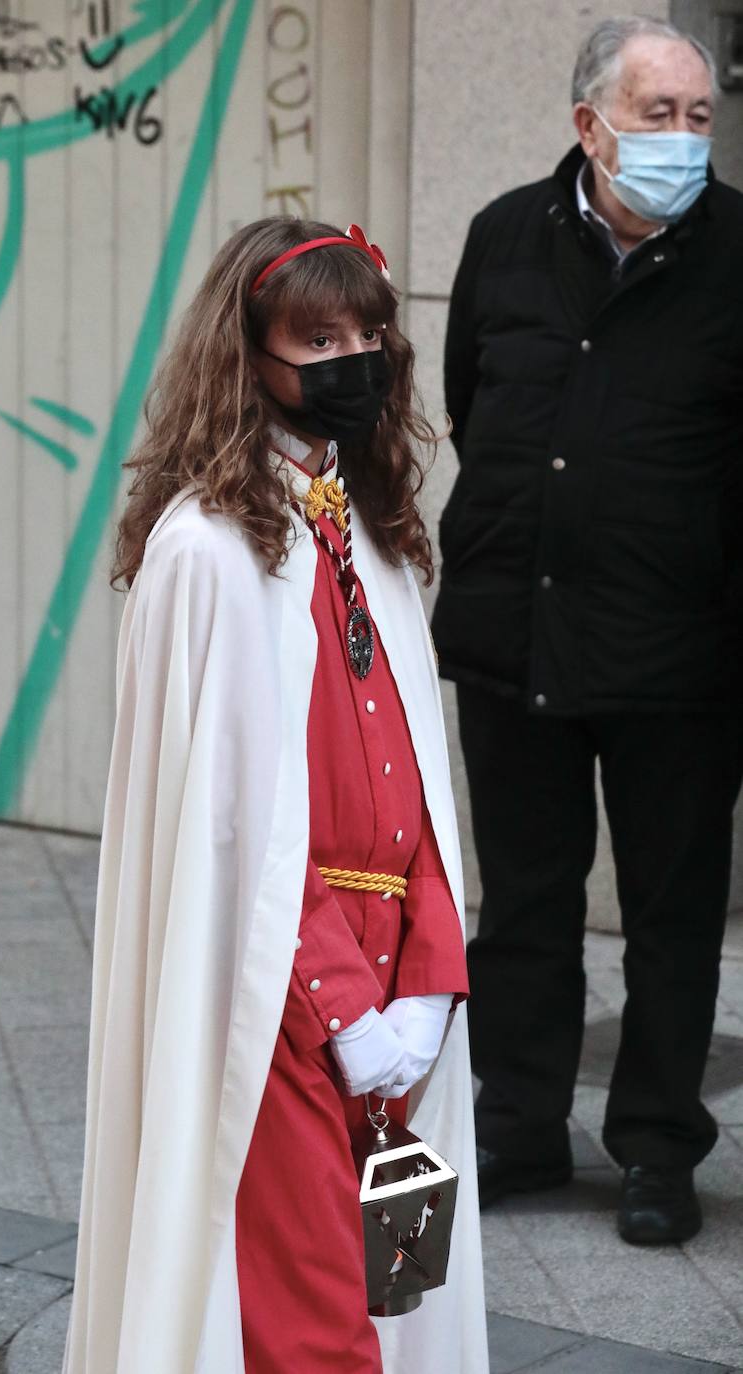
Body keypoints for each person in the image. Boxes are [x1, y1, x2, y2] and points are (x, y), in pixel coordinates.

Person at [62, 217, 487, 1374]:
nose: (352, 356)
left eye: (369, 333)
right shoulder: (206, 550)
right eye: (318, 336)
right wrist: (343, 1004)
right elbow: (227, 825)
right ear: (248, 355)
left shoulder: (381, 534)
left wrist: (433, 977)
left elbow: (424, 800)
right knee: (310, 1321)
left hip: (396, 973)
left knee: (389, 1288)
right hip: (280, 977)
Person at [432, 14, 743, 1246]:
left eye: (697, 117)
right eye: (654, 115)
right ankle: (514, 1127)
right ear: (587, 124)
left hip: (682, 653)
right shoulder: (502, 236)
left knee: (671, 914)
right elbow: (470, 403)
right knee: (521, 902)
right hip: (516, 632)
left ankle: (657, 1149)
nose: (679, 139)